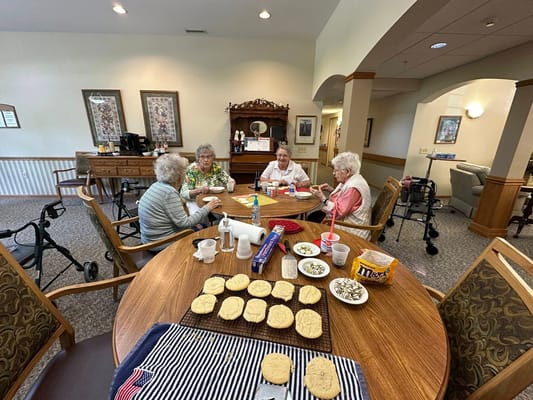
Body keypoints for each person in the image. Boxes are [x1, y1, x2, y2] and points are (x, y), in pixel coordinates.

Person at [138, 153, 221, 252]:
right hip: (162, 243)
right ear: (178, 175)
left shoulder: (157, 185)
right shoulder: (169, 193)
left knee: (199, 224)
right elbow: (185, 223)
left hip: (149, 239)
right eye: (183, 172)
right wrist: (208, 207)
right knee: (205, 228)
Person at [308, 151, 372, 240]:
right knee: (314, 216)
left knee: (313, 220)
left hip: (353, 229)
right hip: (348, 219)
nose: (333, 173)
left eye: (336, 170)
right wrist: (331, 190)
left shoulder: (353, 188)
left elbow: (338, 212)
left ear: (348, 171)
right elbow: (346, 199)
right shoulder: (354, 178)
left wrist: (323, 198)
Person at [180, 144, 233, 222]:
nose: (206, 160)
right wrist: (199, 190)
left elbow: (229, 180)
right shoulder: (191, 170)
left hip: (212, 200)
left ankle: (218, 231)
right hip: (194, 201)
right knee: (200, 219)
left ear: (213, 158)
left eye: (209, 156)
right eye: (202, 157)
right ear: (198, 158)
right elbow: (183, 193)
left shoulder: (215, 168)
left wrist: (231, 182)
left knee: (226, 215)